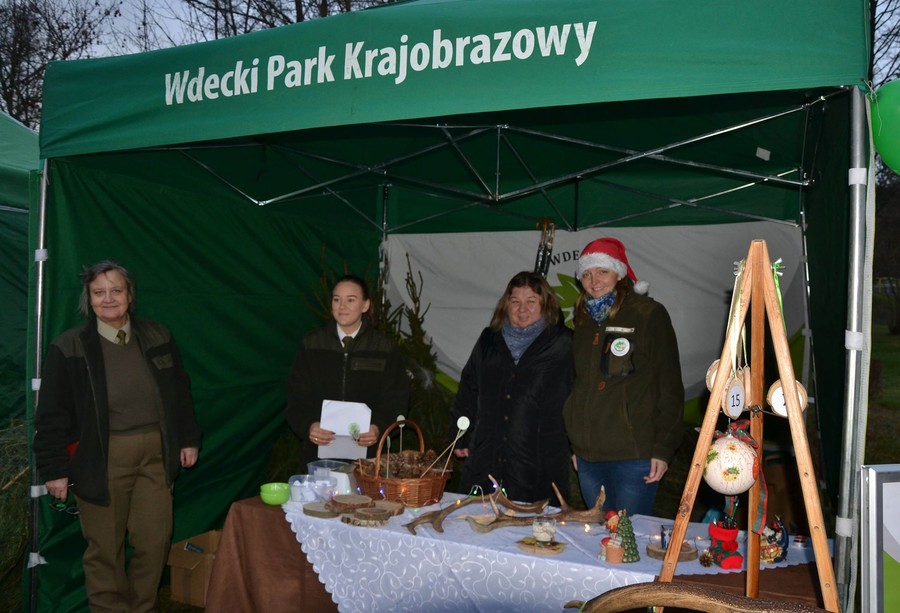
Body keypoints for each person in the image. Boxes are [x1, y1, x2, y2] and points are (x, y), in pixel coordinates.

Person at [33, 260, 201, 613]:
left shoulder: (158, 336)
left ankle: (143, 607)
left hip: (156, 455)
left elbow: (179, 392)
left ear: (129, 295)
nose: (108, 298)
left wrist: (188, 438)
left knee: (155, 542)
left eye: (116, 290)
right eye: (99, 292)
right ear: (89, 299)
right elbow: (51, 415)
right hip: (100, 459)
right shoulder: (69, 347)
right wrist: (54, 469)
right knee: (105, 550)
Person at [564, 238, 684, 516]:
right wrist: (576, 442)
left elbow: (670, 386)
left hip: (633, 455)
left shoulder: (648, 314)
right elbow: (579, 383)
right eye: (586, 274)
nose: (594, 281)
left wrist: (663, 449)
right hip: (588, 457)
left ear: (619, 274)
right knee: (597, 539)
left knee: (628, 543)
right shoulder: (582, 320)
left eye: (602, 272)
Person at [450, 271, 573, 503]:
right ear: (506, 304)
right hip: (487, 455)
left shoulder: (563, 343)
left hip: (538, 460)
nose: (522, 309)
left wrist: (579, 448)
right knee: (476, 522)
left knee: (532, 533)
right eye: (515, 301)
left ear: (546, 304)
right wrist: (459, 435)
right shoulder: (489, 340)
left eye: (531, 302)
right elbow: (468, 388)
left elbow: (578, 400)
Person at [285, 274, 409, 465]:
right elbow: (296, 396)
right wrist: (308, 426)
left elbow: (396, 398)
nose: (342, 306)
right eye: (337, 299)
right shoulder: (312, 344)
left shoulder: (384, 348)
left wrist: (378, 427)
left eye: (351, 300)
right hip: (319, 456)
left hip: (368, 458)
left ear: (365, 305)